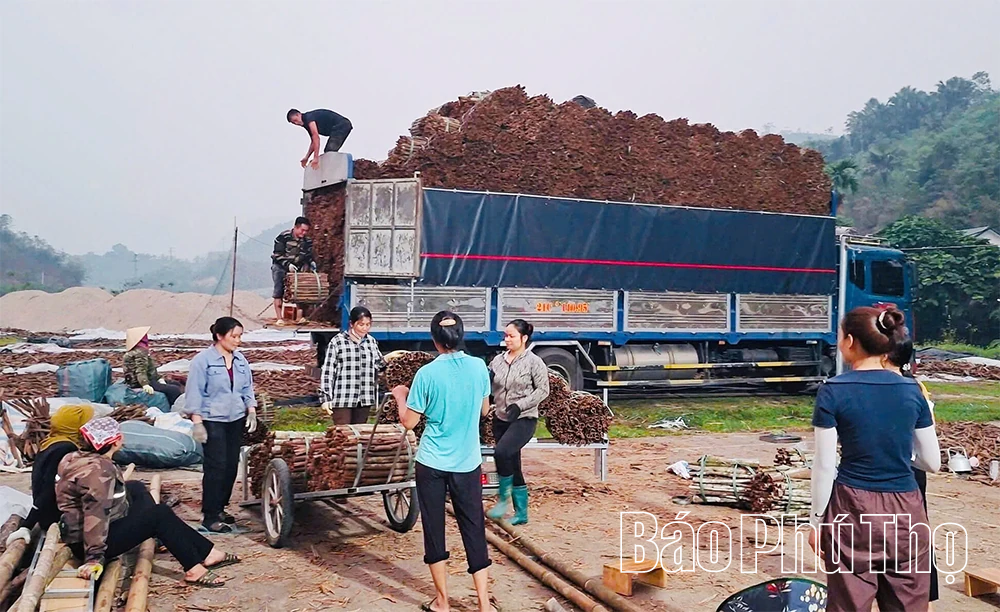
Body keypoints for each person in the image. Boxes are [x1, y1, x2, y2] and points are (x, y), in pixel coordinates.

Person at [809, 307, 940, 612]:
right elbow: (932, 462)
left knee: (849, 603)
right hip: (906, 507)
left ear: (851, 341)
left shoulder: (832, 392)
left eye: (840, 336)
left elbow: (825, 465)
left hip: (852, 507)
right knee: (907, 603)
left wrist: (816, 522)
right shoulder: (913, 390)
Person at [390, 312, 498, 612]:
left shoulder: (426, 374)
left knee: (434, 529)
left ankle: (442, 602)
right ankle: (484, 604)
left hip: (433, 462)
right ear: (460, 336)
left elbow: (409, 422)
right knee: (474, 528)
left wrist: (401, 395)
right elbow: (483, 410)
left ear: (435, 340)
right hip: (467, 461)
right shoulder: (479, 368)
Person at [56, 417, 240, 587]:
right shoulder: (99, 472)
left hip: (96, 527)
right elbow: (95, 513)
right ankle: (193, 568)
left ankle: (204, 551)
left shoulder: (77, 458)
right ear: (116, 442)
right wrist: (94, 557)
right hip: (90, 542)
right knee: (159, 514)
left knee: (135, 487)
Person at [182, 317, 258, 533]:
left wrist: (251, 410)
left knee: (231, 465)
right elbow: (194, 391)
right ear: (219, 336)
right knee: (216, 467)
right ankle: (210, 515)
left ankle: (221, 508)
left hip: (234, 419)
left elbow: (247, 388)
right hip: (212, 419)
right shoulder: (202, 361)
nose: (238, 341)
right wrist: (197, 422)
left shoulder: (241, 360)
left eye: (240, 336)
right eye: (234, 336)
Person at [883, 334, 940, 609]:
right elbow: (929, 455)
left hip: (882, 475)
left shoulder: (858, 387)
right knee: (914, 545)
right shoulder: (918, 389)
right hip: (912, 475)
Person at [4, 405, 95, 549]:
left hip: (46, 513)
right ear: (76, 427)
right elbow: (48, 489)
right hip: (56, 518)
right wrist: (27, 525)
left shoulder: (52, 441)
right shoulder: (66, 449)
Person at [486, 319, 549, 525]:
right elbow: (487, 382)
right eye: (505, 335)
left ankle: (503, 500)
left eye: (511, 336)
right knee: (513, 463)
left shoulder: (534, 362)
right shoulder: (497, 361)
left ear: (524, 338)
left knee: (502, 452)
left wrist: (520, 405)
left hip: (524, 418)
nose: (507, 339)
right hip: (501, 418)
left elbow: (543, 390)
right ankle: (521, 513)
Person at [320, 306, 386, 425]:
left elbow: (378, 365)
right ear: (352, 324)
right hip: (343, 398)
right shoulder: (337, 342)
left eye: (368, 324)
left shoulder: (371, 342)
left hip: (364, 397)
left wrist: (388, 358)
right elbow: (328, 371)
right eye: (361, 324)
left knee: (360, 434)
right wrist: (326, 398)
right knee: (343, 434)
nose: (365, 328)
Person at [123, 326, 184, 407]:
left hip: (143, 379)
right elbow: (140, 370)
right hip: (139, 382)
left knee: (175, 384)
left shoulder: (137, 351)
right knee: (173, 390)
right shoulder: (140, 352)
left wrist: (159, 378)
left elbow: (149, 369)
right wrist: (145, 384)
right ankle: (172, 407)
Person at [271, 217, 315, 325]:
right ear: (295, 227)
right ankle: (279, 318)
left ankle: (300, 318)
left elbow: (308, 256)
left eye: (306, 231)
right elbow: (276, 255)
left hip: (297, 268)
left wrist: (311, 263)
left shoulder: (307, 241)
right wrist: (287, 264)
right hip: (281, 266)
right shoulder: (283, 237)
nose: (304, 233)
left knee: (300, 290)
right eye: (302, 230)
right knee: (278, 290)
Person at [286, 108, 353, 167]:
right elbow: (313, 142)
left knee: (329, 151)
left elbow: (316, 137)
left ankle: (339, 169)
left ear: (298, 114)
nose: (296, 123)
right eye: (294, 123)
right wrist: (306, 157)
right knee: (329, 152)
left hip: (342, 125)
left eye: (295, 120)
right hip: (338, 128)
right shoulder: (306, 124)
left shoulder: (308, 117)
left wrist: (316, 158)